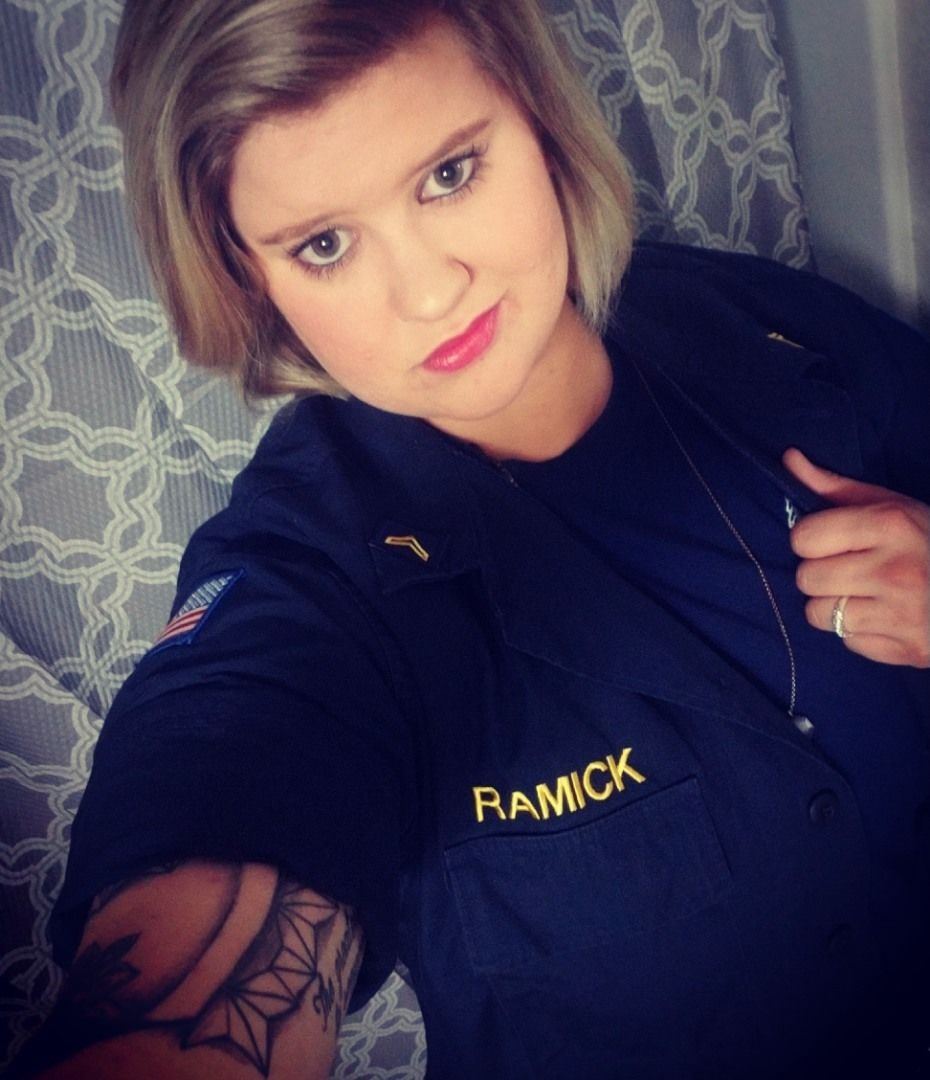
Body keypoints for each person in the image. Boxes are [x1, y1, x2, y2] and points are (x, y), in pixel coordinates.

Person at [12, 0, 930, 1077]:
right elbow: (235, 765)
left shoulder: (766, 327)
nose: (429, 291)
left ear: (538, 117)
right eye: (324, 244)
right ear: (248, 275)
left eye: (448, 175)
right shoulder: (313, 579)